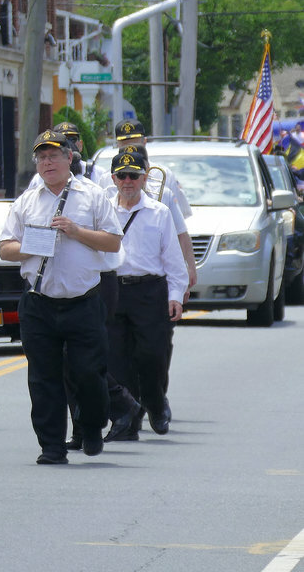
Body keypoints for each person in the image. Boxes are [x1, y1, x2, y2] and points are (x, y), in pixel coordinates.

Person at [0, 130, 123, 465]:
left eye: (54, 155)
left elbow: (113, 242)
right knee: (43, 377)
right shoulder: (27, 200)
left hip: (82, 300)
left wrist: (76, 231)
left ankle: (93, 426)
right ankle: (51, 445)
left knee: (88, 372)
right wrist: (32, 245)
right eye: (41, 156)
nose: (47, 162)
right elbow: (5, 248)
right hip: (39, 302)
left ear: (70, 158)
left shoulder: (93, 196)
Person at [104, 150, 187, 440]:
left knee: (152, 354)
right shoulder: (103, 209)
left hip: (149, 289)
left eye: (134, 175)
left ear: (143, 178)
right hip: (113, 288)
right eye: (122, 175)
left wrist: (175, 295)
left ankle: (155, 401)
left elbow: (173, 259)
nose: (128, 181)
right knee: (117, 358)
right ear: (113, 178)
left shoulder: (159, 212)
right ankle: (129, 420)